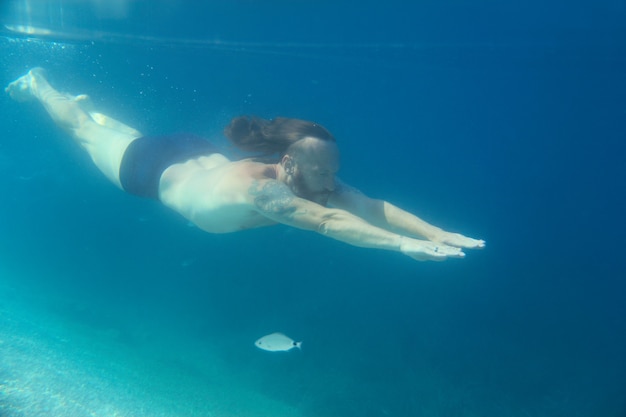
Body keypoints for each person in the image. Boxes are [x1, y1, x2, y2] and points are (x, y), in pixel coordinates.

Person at [6, 68, 485, 262]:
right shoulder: (267, 192)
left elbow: (370, 205)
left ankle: (86, 107)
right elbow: (324, 222)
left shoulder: (309, 178)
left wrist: (437, 233)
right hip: (150, 170)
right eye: (320, 172)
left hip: (190, 152)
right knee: (84, 132)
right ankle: (40, 85)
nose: (331, 182)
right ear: (289, 164)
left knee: (114, 132)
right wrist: (403, 247)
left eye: (331, 170)